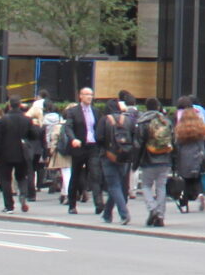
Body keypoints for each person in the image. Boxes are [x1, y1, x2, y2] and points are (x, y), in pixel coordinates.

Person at [96, 94, 138, 225]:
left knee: (113, 186)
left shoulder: (104, 120)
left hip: (108, 156)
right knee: (118, 185)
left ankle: (124, 214)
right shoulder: (128, 120)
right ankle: (107, 214)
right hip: (124, 156)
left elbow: (99, 138)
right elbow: (134, 136)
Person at [60, 86, 103, 214]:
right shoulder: (73, 111)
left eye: (91, 94)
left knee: (95, 175)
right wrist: (73, 139)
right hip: (79, 147)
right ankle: (72, 204)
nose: (89, 97)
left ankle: (99, 204)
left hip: (93, 146)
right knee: (76, 175)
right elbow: (68, 127)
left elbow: (100, 127)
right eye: (86, 94)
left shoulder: (96, 111)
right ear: (81, 96)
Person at [133, 98, 174, 227]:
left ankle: (152, 208)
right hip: (165, 158)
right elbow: (174, 140)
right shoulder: (166, 121)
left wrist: (136, 162)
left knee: (146, 185)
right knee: (161, 186)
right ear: (158, 107)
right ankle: (160, 216)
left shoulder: (142, 122)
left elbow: (138, 144)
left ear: (146, 107)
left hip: (148, 158)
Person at [0, 99, 40, 212]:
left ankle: (9, 205)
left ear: (9, 106)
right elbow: (34, 135)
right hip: (22, 151)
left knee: (6, 179)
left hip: (6, 152)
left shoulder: (4, 119)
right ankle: (23, 195)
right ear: (20, 105)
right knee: (21, 176)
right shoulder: (27, 119)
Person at [170, 100, 205, 212]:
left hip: (184, 157)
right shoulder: (201, 127)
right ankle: (200, 194)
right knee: (196, 178)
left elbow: (177, 145)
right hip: (198, 155)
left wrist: (174, 159)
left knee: (184, 181)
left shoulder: (180, 129)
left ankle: (184, 204)